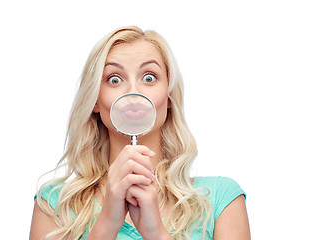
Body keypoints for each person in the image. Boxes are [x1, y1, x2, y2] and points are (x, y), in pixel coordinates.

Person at [30, 26, 250, 240]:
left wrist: (156, 233)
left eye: (149, 78)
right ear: (95, 100)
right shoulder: (55, 203)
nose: (133, 91)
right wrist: (106, 223)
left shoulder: (220, 200)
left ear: (169, 95)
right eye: (114, 79)